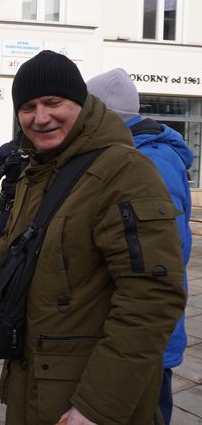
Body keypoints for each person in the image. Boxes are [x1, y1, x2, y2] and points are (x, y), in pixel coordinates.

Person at [0, 50, 186, 425]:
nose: (41, 116)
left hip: (86, 390)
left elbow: (151, 298)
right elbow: (30, 237)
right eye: (28, 106)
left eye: (53, 102)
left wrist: (98, 406)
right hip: (35, 375)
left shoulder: (125, 172)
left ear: (80, 104)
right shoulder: (42, 166)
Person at [87, 67, 193, 425]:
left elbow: (160, 264)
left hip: (143, 339)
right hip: (126, 328)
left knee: (144, 411)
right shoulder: (125, 152)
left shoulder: (147, 162)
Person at [0, 132, 28, 241]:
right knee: (0, 240)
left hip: (31, 205)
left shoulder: (41, 148)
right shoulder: (7, 149)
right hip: (9, 207)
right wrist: (5, 166)